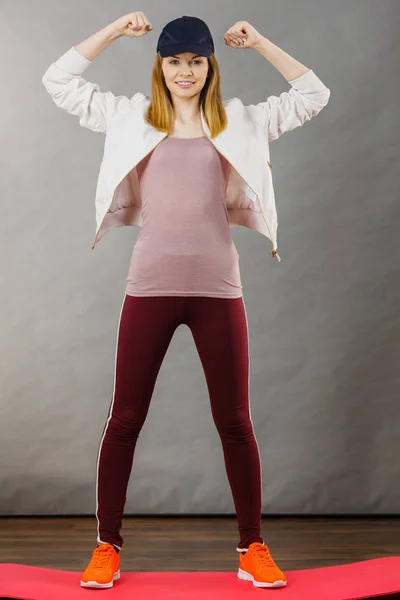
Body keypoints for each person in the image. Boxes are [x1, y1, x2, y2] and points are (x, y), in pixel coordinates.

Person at [41, 12, 330, 590]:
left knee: (235, 422)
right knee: (124, 419)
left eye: (196, 60)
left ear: (211, 66)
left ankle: (252, 547)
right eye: (174, 61)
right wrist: (114, 31)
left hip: (218, 289)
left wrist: (262, 42)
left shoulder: (243, 123)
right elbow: (58, 81)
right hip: (148, 286)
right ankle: (106, 547)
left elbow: (314, 94)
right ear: (160, 66)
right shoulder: (130, 118)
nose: (185, 71)